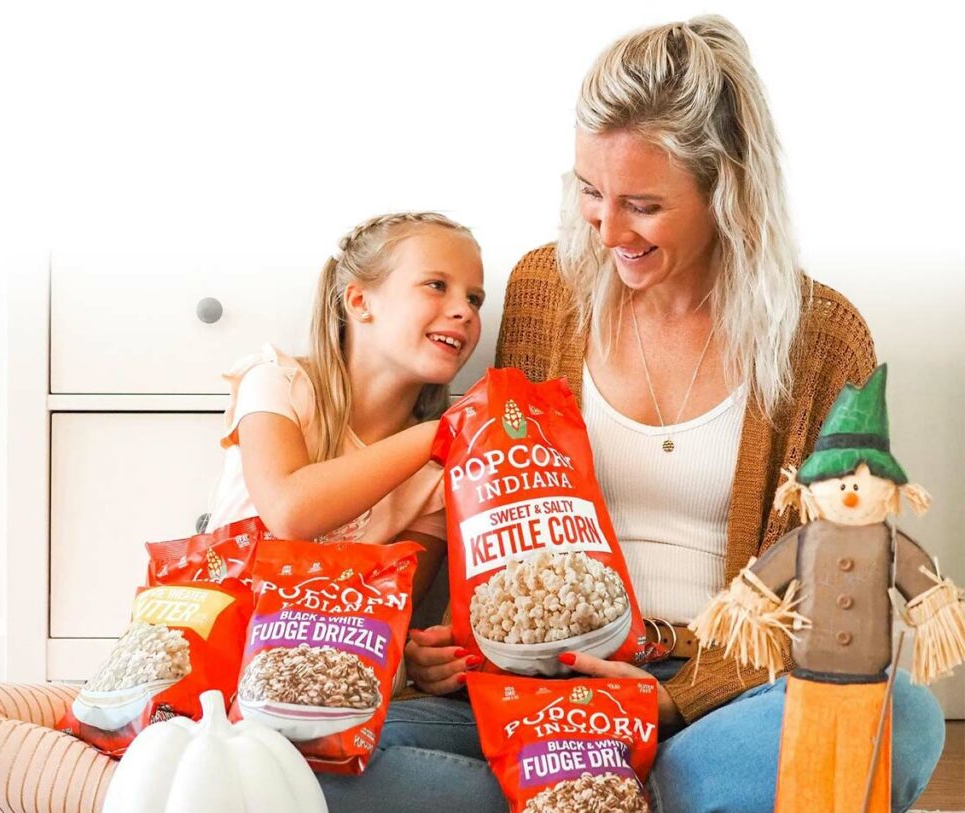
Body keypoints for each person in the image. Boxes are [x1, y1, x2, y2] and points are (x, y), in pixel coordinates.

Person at [337, 16, 944, 813]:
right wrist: (448, 640)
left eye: (644, 204)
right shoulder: (544, 291)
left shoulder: (823, 337)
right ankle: (602, 792)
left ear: (727, 187)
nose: (608, 228)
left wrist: (669, 698)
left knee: (901, 718)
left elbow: (833, 581)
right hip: (531, 696)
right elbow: (491, 488)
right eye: (590, 192)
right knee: (314, 756)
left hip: (709, 699)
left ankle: (593, 795)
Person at [205, 211, 485, 606]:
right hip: (211, 651)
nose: (465, 311)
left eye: (474, 298)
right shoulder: (277, 383)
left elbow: (389, 610)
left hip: (322, 660)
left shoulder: (436, 479)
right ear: (359, 301)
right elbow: (290, 512)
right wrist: (435, 433)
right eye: (436, 285)